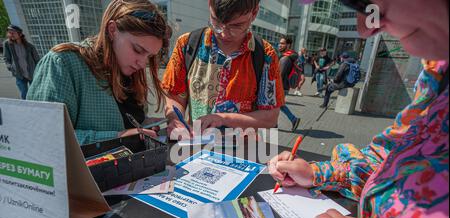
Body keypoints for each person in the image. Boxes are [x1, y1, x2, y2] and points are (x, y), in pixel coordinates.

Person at [269, 0, 448, 218]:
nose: (367, 28)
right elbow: (389, 156)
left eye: (367, 1)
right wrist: (316, 172)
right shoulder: (438, 70)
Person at [27, 0, 171, 145]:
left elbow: (123, 119)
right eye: (138, 50)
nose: (141, 64)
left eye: (149, 57)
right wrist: (119, 136)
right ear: (112, 30)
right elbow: (44, 136)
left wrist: (144, 123)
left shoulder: (130, 71)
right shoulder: (63, 63)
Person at [162, 0, 283, 140]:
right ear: (209, 5)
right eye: (216, 22)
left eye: (236, 26)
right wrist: (176, 120)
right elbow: (174, 96)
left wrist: (224, 118)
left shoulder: (266, 55)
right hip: (195, 147)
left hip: (243, 153)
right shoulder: (187, 44)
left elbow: (270, 118)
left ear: (254, 13)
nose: (224, 34)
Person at [3, 25, 40, 100]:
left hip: (31, 73)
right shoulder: (7, 44)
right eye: (9, 33)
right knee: (24, 94)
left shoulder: (29, 46)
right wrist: (10, 67)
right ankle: (27, 109)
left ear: (19, 34)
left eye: (13, 33)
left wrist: (39, 70)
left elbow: (37, 59)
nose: (11, 35)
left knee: (35, 92)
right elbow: (6, 58)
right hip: (19, 74)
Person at [278, 36, 301, 132]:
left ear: (288, 45)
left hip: (281, 86)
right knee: (279, 105)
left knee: (276, 105)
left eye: (282, 43)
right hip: (284, 86)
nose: (280, 45)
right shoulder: (289, 57)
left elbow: (279, 75)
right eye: (279, 43)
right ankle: (293, 119)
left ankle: (293, 119)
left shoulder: (285, 59)